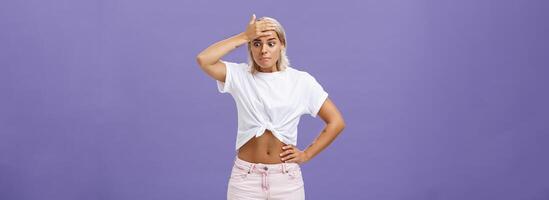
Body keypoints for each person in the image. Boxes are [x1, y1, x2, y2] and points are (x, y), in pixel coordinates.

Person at [196, 14, 346, 200]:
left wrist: (306, 155)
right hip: (245, 179)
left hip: (286, 179)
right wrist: (244, 36)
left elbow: (336, 122)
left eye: (271, 43)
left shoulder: (301, 81)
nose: (264, 50)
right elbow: (204, 59)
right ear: (250, 47)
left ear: (282, 45)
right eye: (257, 43)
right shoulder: (240, 75)